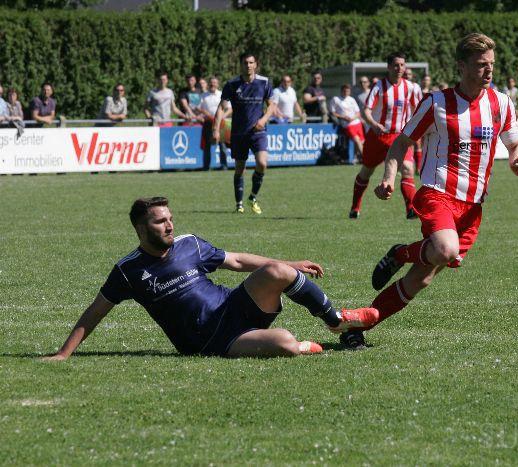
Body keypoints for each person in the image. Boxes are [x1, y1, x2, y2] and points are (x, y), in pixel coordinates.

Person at [339, 33, 518, 350]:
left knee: (420, 279)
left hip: (472, 208)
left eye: (491, 65)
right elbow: (401, 143)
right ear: (462, 66)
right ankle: (401, 253)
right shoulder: (436, 103)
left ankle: (358, 326)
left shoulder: (501, 103)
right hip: (437, 194)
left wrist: (517, 157)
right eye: (481, 65)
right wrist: (388, 177)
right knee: (443, 249)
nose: (488, 71)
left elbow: (515, 142)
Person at [43, 197, 378, 361]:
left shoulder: (189, 244)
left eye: (170, 218)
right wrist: (63, 353)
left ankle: (337, 323)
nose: (170, 225)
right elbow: (96, 311)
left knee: (276, 270)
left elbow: (236, 260)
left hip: (234, 305)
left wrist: (290, 264)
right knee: (287, 344)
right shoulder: (128, 270)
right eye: (160, 222)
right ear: (141, 228)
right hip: (209, 342)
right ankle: (304, 343)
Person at [349, 52, 421, 220]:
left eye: (402, 65)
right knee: (366, 172)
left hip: (400, 137)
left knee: (408, 169)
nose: (399, 68)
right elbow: (366, 111)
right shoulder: (379, 87)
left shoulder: (411, 88)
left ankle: (411, 209)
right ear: (389, 67)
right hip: (378, 137)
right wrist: (374, 125)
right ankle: (355, 207)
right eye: (396, 65)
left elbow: (418, 111)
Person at [213, 52, 276, 215]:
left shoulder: (264, 82)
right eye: (245, 63)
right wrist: (216, 129)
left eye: (251, 62)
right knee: (240, 169)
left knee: (262, 163)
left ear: (256, 65)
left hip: (258, 132)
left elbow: (271, 106)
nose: (248, 65)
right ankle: (239, 204)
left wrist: (263, 120)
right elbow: (221, 107)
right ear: (240, 65)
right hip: (239, 133)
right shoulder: (232, 84)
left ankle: (253, 197)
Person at [199, 76, 231, 169]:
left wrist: (223, 116)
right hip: (208, 123)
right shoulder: (203, 95)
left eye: (214, 82)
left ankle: (224, 165)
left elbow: (229, 108)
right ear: (209, 84)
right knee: (207, 146)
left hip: (221, 123)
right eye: (211, 82)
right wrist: (209, 116)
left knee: (223, 145)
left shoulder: (222, 94)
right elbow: (200, 108)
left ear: (218, 84)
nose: (212, 84)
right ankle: (206, 166)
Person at [330, 84, 365, 161]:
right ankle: (366, 159)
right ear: (341, 91)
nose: (346, 92)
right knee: (357, 140)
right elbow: (333, 112)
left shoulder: (352, 99)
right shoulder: (336, 99)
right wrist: (343, 117)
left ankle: (356, 158)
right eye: (345, 91)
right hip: (347, 125)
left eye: (348, 91)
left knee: (360, 142)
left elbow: (358, 112)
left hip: (356, 122)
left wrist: (353, 118)